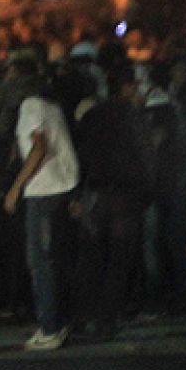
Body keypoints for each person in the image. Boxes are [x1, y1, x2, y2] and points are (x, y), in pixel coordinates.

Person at [3, 57, 80, 349]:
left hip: (44, 190)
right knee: (56, 261)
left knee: (40, 262)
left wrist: (16, 187)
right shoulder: (52, 105)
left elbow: (39, 147)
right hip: (62, 187)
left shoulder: (31, 105)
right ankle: (59, 322)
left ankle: (50, 326)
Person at [71, 66, 152, 341]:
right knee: (119, 260)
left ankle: (82, 317)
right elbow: (145, 156)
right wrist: (147, 194)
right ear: (127, 87)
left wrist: (77, 194)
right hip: (125, 197)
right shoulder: (133, 116)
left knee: (93, 258)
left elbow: (79, 156)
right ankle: (106, 321)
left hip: (95, 194)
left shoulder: (92, 116)